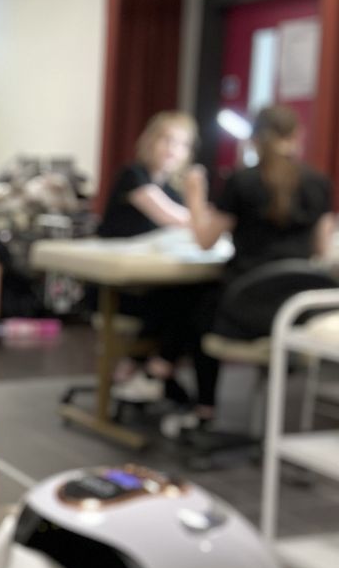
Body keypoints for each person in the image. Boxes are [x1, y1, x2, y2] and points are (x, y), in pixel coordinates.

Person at [180, 104, 334, 427]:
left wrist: (194, 196)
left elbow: (205, 241)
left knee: (195, 308)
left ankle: (204, 409)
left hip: (246, 310)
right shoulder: (319, 183)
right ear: (297, 137)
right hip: (296, 311)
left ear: (254, 139)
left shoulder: (242, 182)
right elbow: (321, 249)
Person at [97, 112, 198, 404]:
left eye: (181, 144)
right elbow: (175, 218)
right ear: (150, 141)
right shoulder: (133, 177)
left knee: (195, 297)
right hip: (117, 286)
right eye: (166, 139)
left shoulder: (172, 189)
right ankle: (147, 369)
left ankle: (149, 369)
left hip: (154, 283)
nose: (172, 149)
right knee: (185, 302)